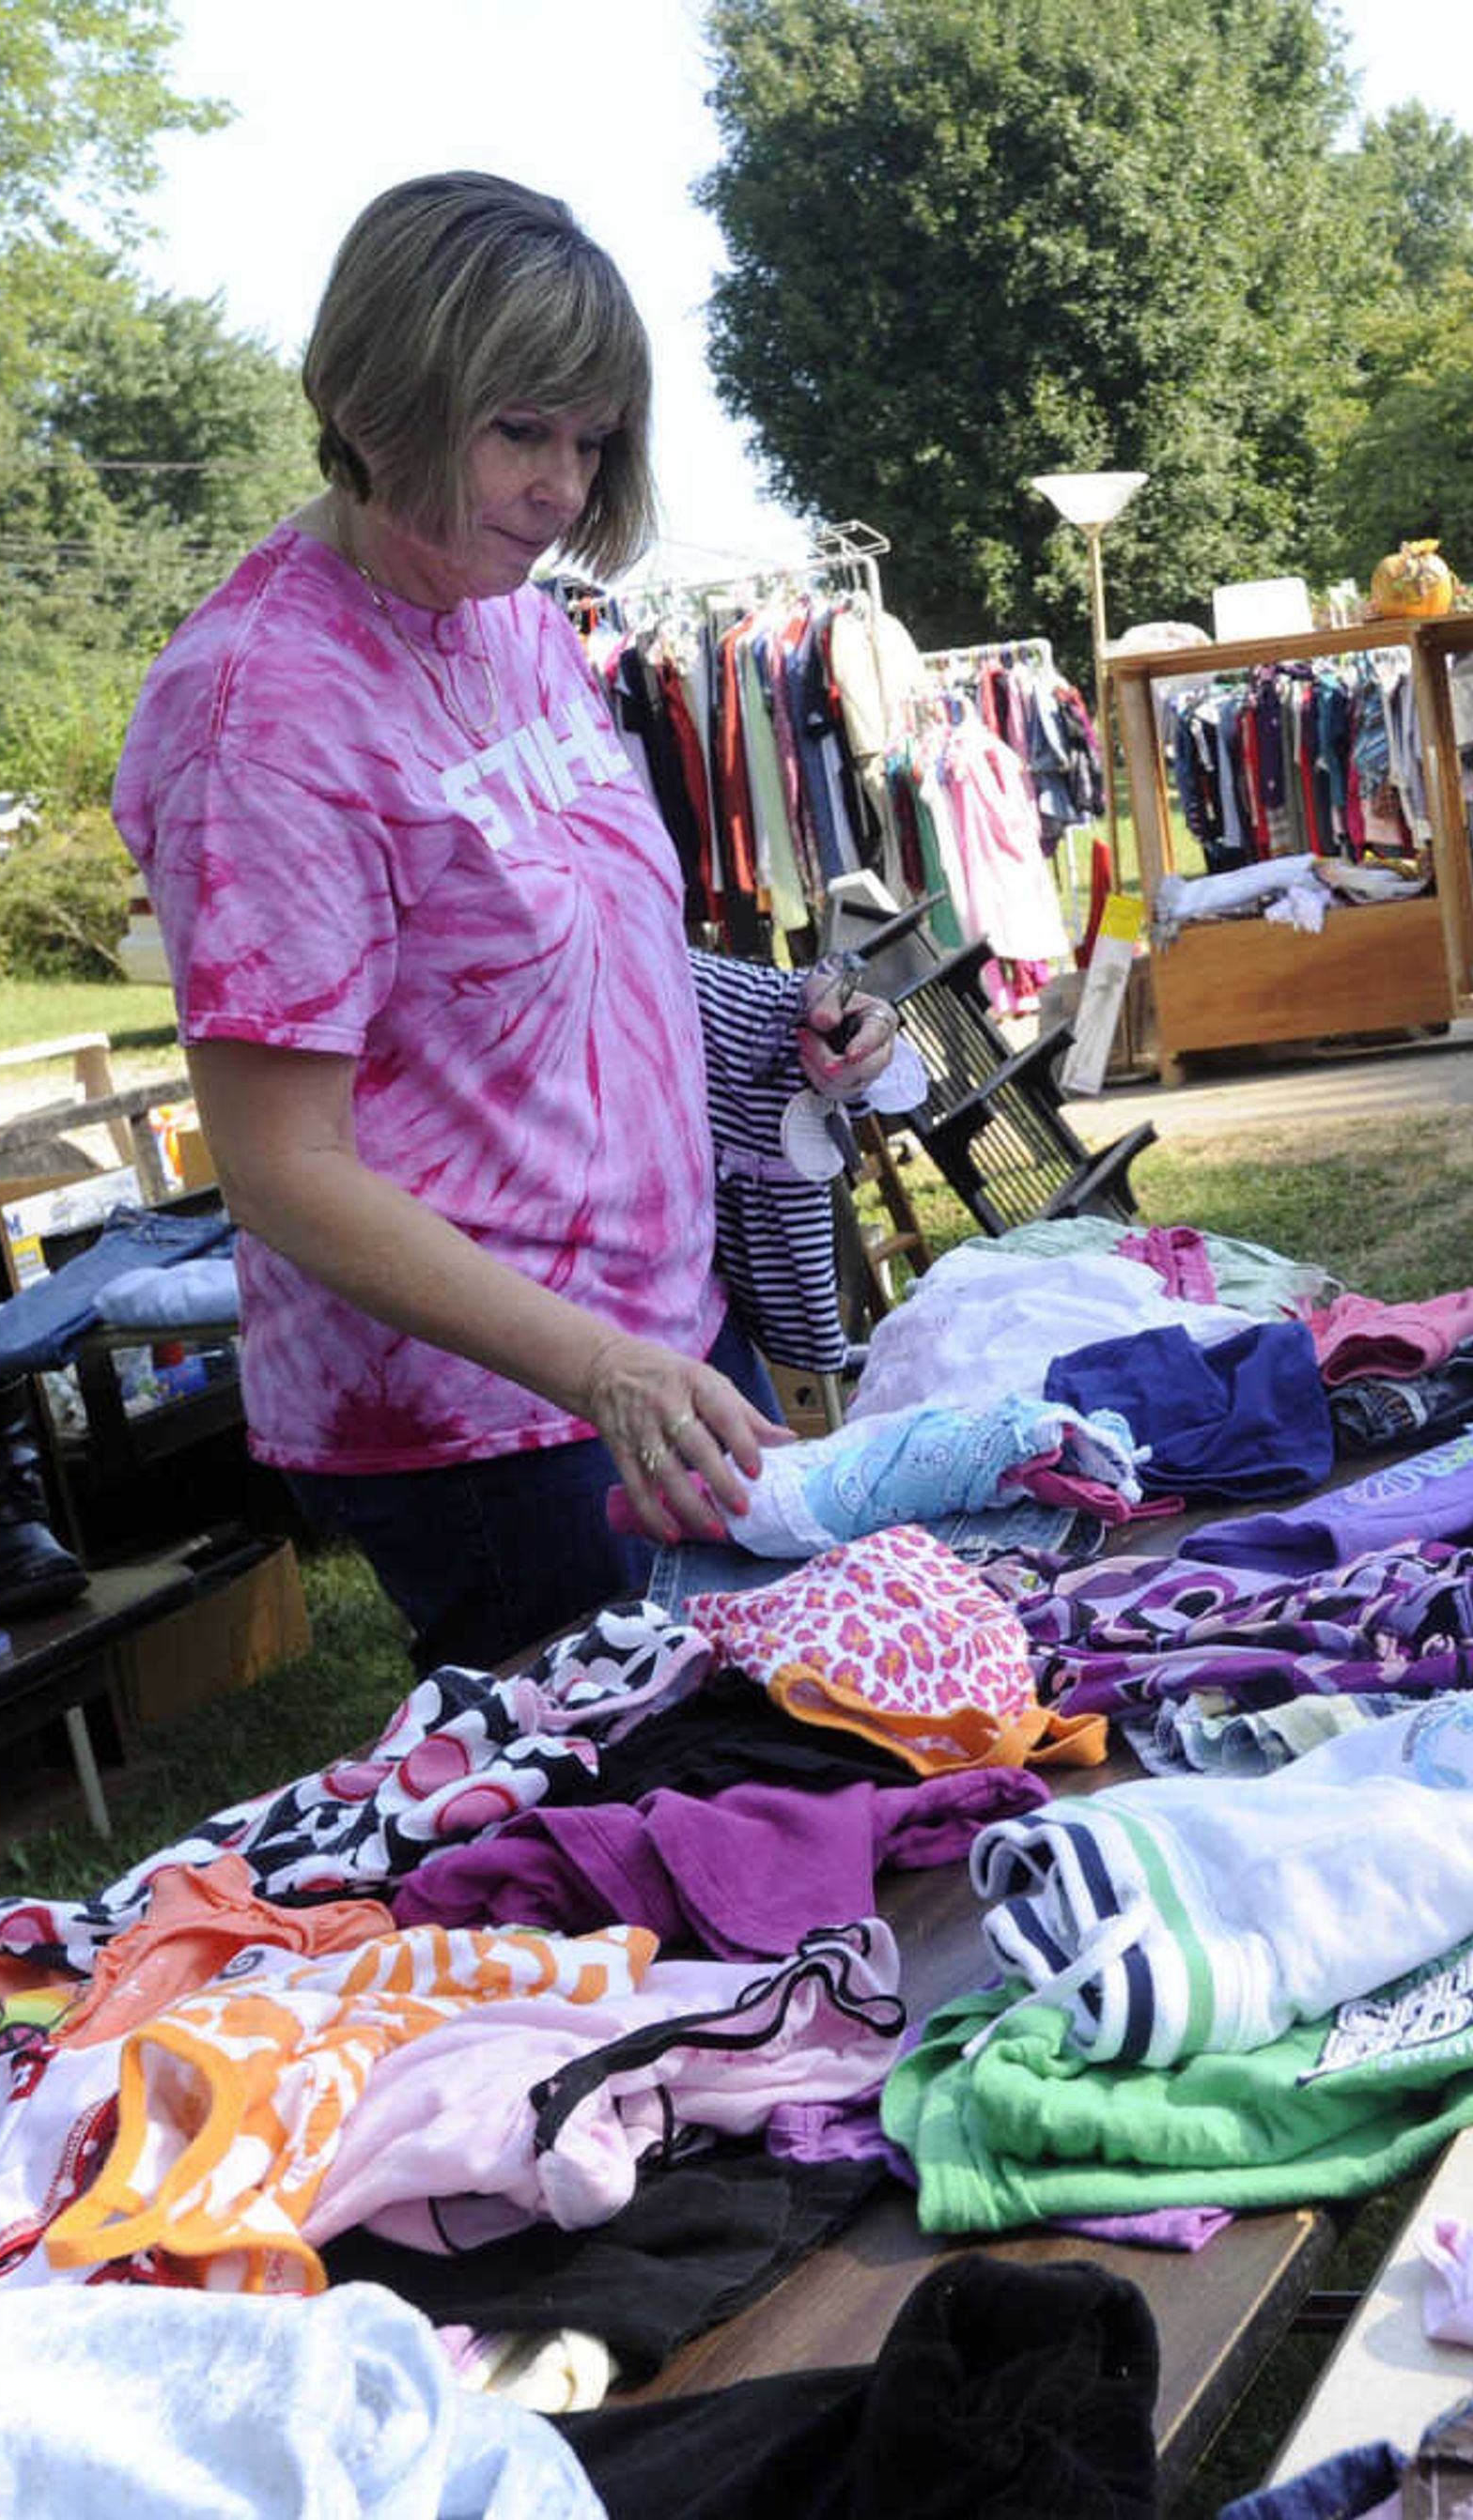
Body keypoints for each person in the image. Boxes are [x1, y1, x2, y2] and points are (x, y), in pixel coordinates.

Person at [114, 172, 892, 1672]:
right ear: (382, 395)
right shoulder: (262, 713)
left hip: (658, 1339)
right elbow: (283, 1169)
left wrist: (762, 1016)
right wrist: (599, 1367)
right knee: (654, 1831)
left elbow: (568, 937)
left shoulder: (516, 615)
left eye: (590, 440)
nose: (563, 486)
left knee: (809, 1759)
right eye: (520, 429)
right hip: (489, 1418)